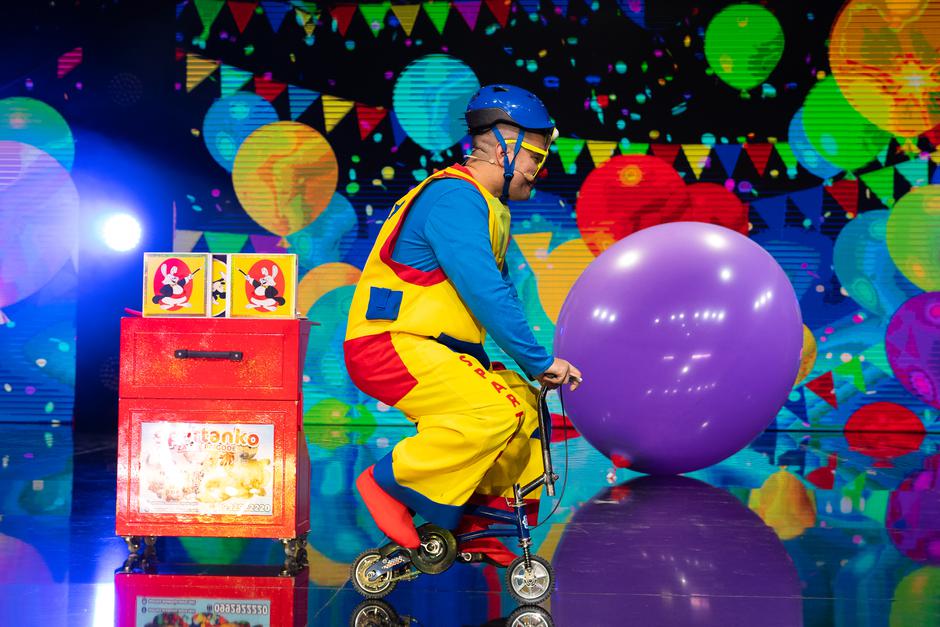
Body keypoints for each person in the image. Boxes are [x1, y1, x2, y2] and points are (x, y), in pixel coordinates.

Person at [344, 84, 581, 565]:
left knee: (524, 408)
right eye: (536, 155)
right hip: (392, 345)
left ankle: (474, 519)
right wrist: (538, 360)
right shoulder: (454, 197)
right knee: (492, 414)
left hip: (436, 350)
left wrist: (532, 368)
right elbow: (485, 291)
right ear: (504, 148)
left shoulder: (488, 206)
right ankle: (387, 482)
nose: (540, 168)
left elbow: (501, 293)